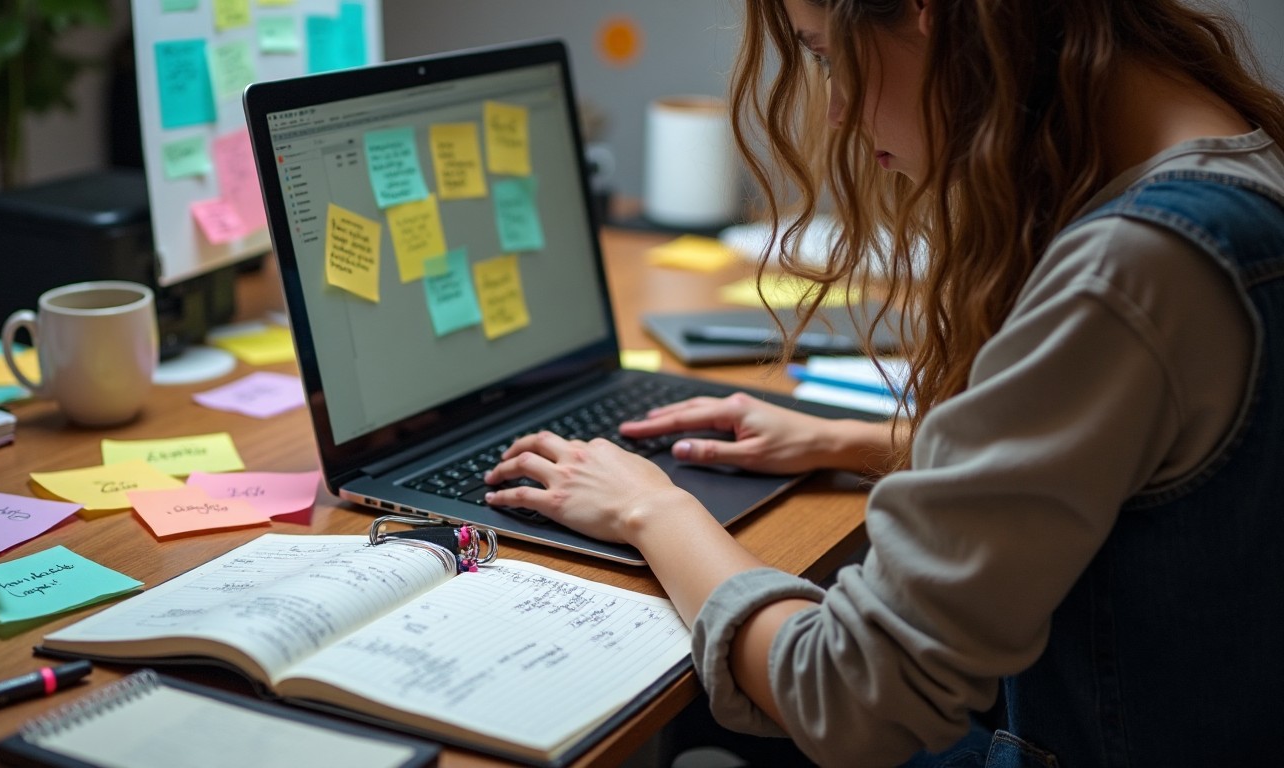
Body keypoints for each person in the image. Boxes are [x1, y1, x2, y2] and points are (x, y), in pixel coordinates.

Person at [486, 0, 1284, 764]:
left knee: (685, 704)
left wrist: (650, 508)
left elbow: (849, 694)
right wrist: (858, 439)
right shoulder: (1237, 161)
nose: (833, 112)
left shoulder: (1133, 271)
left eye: (828, 55)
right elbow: (1141, 456)